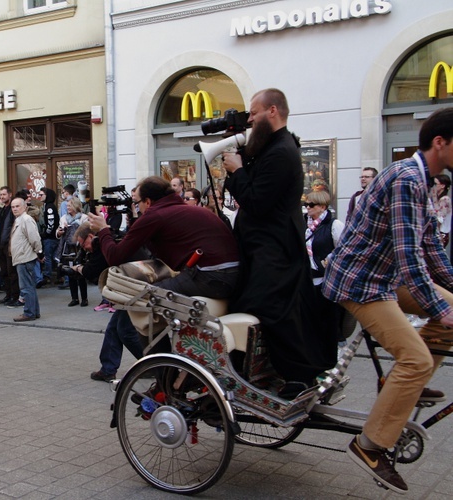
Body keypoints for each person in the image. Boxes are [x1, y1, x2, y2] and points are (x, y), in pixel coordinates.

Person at [323, 108, 453, 494]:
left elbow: (431, 247)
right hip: (360, 284)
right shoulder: (407, 179)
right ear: (440, 143)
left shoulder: (423, 180)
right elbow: (410, 256)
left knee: (428, 347)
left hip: (386, 279)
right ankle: (370, 445)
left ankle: (404, 384)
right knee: (415, 358)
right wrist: (442, 309)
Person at [222, 88, 336, 398]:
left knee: (268, 308)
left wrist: (237, 171)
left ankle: (295, 376)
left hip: (273, 250)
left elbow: (257, 201)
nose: (250, 118)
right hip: (267, 248)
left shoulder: (281, 151)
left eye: (254, 112)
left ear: (272, 111)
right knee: (264, 307)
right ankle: (270, 373)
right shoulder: (274, 147)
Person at [87, 176, 239, 381]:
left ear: (148, 202)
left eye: (137, 202)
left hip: (209, 277)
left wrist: (103, 231)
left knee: (142, 300)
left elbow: (115, 256)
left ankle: (164, 374)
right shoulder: (189, 210)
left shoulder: (155, 215)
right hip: (233, 276)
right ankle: (174, 367)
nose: (137, 207)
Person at [304, 191, 345, 343]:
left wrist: (327, 260)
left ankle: (336, 345)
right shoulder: (306, 226)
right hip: (309, 278)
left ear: (322, 207)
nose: (307, 208)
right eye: (306, 204)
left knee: (329, 318)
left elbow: (343, 249)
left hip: (327, 279)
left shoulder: (334, 225)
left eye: (311, 205)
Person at [10, 197, 42, 322]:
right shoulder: (20, 219)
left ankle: (29, 312)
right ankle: (34, 311)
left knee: (26, 287)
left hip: (25, 258)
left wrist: (39, 252)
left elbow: (35, 238)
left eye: (17, 206)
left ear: (24, 207)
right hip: (22, 257)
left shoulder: (26, 219)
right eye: (13, 207)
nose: (15, 209)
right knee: (29, 286)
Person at [57, 197, 89, 307]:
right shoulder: (63, 218)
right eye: (67, 206)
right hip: (68, 250)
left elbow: (86, 231)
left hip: (79, 249)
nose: (67, 207)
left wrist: (76, 227)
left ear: (75, 205)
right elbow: (58, 233)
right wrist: (60, 231)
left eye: (69, 205)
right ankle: (74, 298)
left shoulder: (84, 218)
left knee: (80, 273)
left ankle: (84, 298)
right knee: (70, 273)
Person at [0, 187, 20, 307]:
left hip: (10, 244)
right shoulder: (2, 210)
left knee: (12, 272)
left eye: (4, 194)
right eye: (0, 195)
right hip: (1, 244)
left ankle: (15, 296)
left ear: (10, 195)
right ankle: (8, 294)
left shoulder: (12, 209)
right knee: (4, 271)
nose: (2, 197)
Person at [38, 187, 60, 285]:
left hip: (50, 238)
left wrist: (45, 233)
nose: (39, 197)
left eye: (41, 195)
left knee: (48, 257)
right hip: (52, 237)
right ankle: (60, 276)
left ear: (47, 196)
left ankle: (48, 276)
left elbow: (51, 223)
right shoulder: (48, 206)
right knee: (54, 257)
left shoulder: (49, 207)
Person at [431, 174, 451, 247]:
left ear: (443, 186)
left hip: (441, 233)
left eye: (436, 184)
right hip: (439, 233)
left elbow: (440, 219)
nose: (434, 186)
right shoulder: (438, 198)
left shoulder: (445, 199)